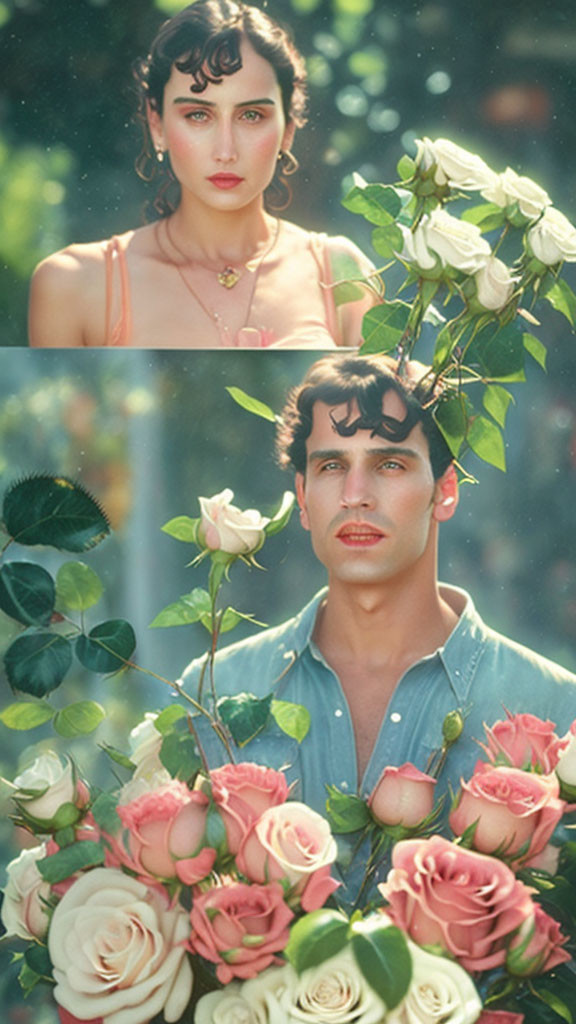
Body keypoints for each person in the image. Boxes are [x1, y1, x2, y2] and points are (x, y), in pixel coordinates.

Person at [181, 352, 576, 904]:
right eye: (331, 466)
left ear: (446, 492)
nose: (355, 495)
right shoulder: (213, 689)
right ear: (302, 499)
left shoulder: (556, 709)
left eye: (389, 464)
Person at [28, 0, 377, 349]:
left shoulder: (343, 274)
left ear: (288, 129)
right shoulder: (74, 284)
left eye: (251, 115)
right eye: (198, 115)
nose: (225, 151)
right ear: (156, 122)